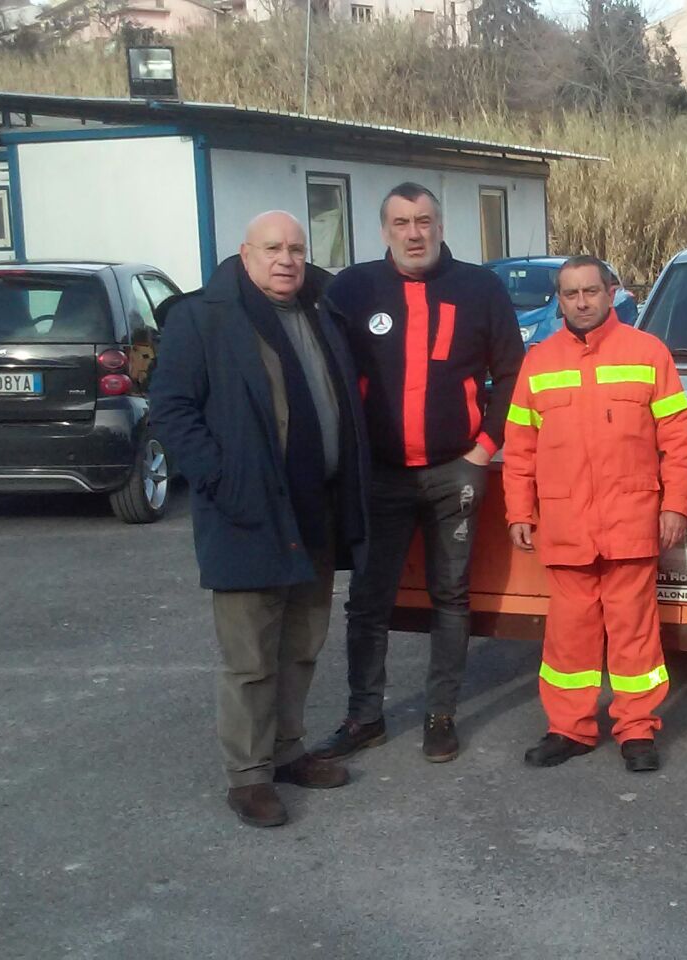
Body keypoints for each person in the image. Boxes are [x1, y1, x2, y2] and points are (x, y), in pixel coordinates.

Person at [150, 211, 369, 828]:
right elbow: (171, 410)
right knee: (250, 655)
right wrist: (221, 478)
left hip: (316, 506)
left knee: (302, 642)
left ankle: (288, 749)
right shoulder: (204, 316)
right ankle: (248, 776)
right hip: (248, 510)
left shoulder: (323, 311)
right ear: (245, 254)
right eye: (273, 248)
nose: (287, 260)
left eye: (297, 249)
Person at [314, 183, 525, 764]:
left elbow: (513, 373)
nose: (414, 232)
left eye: (424, 220)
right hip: (378, 476)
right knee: (367, 600)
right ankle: (364, 717)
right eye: (402, 222)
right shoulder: (353, 289)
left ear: (440, 224)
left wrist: (485, 447)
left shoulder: (479, 287)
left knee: (450, 597)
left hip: (455, 471)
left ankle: (440, 714)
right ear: (384, 230)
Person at [503, 256, 687, 772]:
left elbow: (680, 440)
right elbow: (520, 447)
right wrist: (519, 510)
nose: (582, 302)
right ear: (560, 299)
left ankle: (638, 730)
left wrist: (676, 504)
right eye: (571, 294)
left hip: (631, 522)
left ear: (612, 293)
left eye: (591, 291)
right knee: (569, 637)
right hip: (566, 526)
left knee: (635, 634)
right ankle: (569, 729)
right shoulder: (539, 362)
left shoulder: (648, 353)